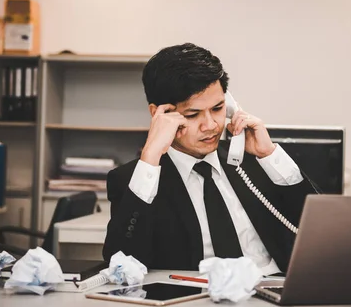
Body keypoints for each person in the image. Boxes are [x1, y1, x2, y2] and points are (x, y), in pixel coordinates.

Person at [102, 43, 316, 274]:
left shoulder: (252, 161)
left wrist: (269, 154)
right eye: (192, 114)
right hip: (192, 302)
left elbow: (321, 233)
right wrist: (151, 156)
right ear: (158, 114)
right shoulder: (134, 179)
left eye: (218, 108)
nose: (211, 125)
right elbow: (120, 264)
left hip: (272, 292)